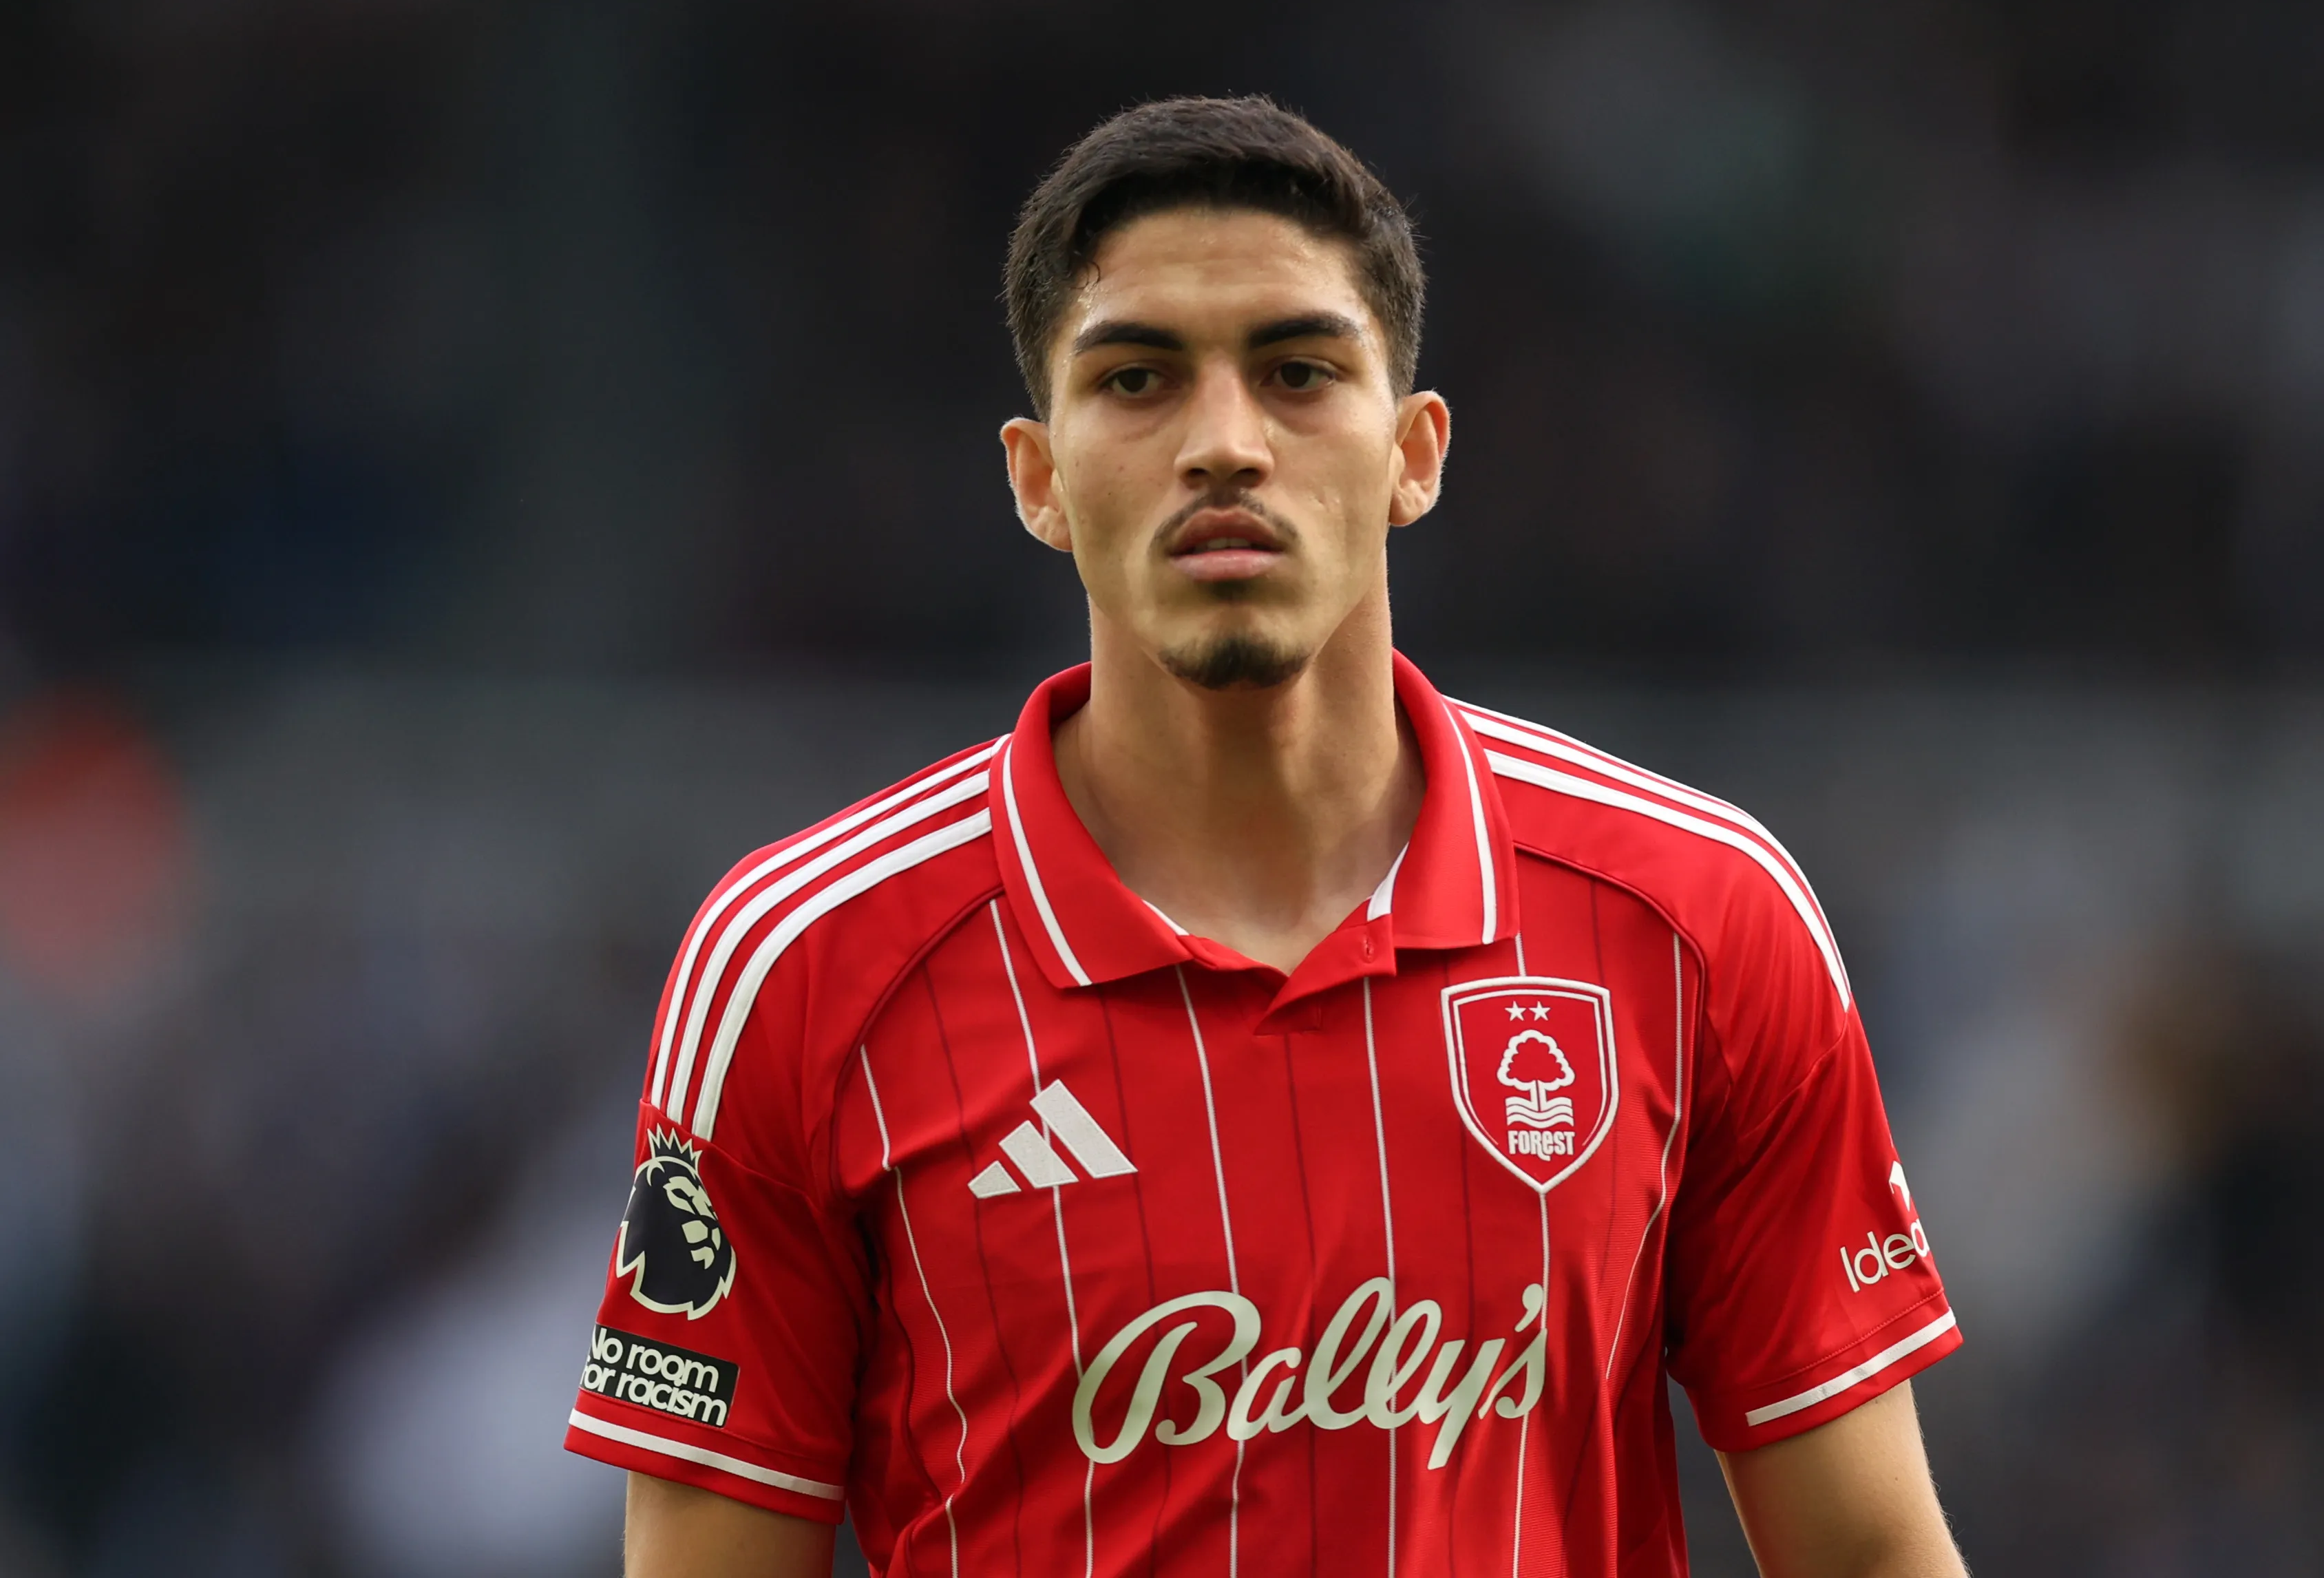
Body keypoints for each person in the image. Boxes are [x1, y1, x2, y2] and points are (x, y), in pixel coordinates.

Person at [567, 95, 1966, 1577]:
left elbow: (1868, 1548)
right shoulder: (802, 966)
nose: (1223, 443)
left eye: (1297, 372)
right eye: (1137, 380)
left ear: (1413, 453)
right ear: (1037, 478)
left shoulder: (1695, 914)